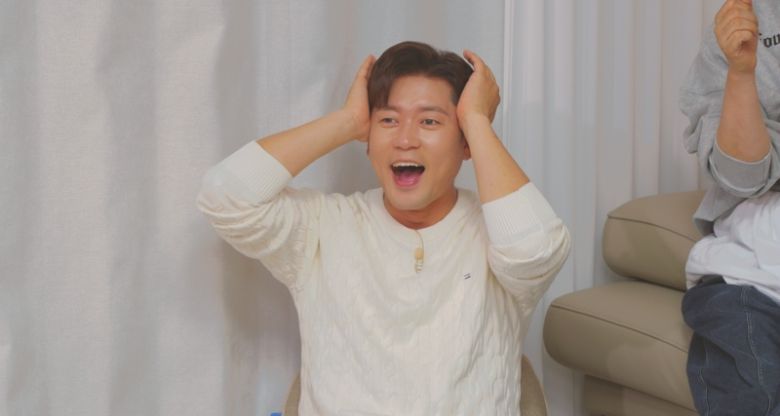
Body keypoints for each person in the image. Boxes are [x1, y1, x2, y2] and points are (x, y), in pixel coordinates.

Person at [198, 41, 570, 414]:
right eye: (388, 120)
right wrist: (347, 121)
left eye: (429, 121)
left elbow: (535, 252)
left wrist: (476, 121)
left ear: (465, 144)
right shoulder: (324, 226)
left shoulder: (498, 234)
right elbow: (224, 197)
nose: (405, 139)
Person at [680, 0, 780, 414]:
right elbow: (742, 175)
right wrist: (741, 73)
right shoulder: (748, 22)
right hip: (751, 279)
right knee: (753, 389)